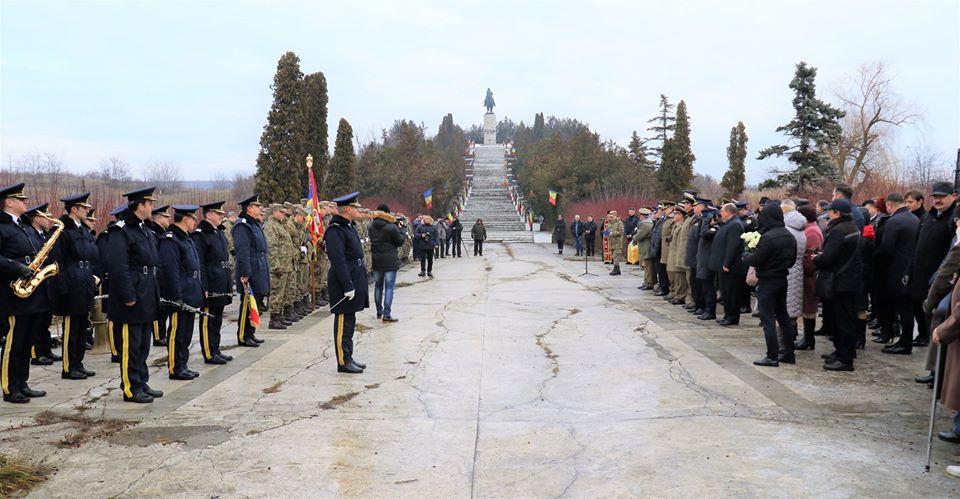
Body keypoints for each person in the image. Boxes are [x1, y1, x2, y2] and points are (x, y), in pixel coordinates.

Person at [104, 187, 164, 403]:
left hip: (147, 290)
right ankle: (131, 386)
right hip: (133, 293)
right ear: (140, 206)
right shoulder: (121, 231)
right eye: (150, 204)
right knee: (131, 343)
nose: (152, 207)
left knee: (143, 344)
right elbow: (119, 266)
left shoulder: (144, 229)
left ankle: (141, 380)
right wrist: (128, 295)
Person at [1, 184, 54, 404]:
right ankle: (9, 387)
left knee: (26, 342)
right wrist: (18, 268)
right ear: (8, 202)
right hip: (12, 294)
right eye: (21, 199)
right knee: (14, 342)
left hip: (31, 293)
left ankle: (22, 383)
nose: (26, 202)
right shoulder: (2, 226)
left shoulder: (21, 226)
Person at [743, 202, 797, 367]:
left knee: (768, 319)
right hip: (782, 279)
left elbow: (758, 258)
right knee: (784, 317)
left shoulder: (768, 237)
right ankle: (788, 352)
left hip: (768, 280)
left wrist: (746, 255)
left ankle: (772, 355)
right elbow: (792, 260)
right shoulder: (789, 235)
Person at [53, 193, 99, 380]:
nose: (87, 210)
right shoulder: (63, 230)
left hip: (84, 281)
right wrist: (62, 288)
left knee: (82, 327)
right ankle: (68, 366)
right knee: (71, 328)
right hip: (72, 283)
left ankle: (78, 363)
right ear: (74, 209)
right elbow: (58, 261)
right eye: (84, 207)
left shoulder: (83, 230)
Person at [813, 198, 862, 371]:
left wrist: (816, 258)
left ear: (837, 213)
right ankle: (841, 352)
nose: (829, 214)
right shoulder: (852, 226)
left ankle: (844, 358)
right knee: (844, 319)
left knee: (843, 321)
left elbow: (828, 258)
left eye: (831, 211)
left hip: (840, 281)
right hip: (849, 280)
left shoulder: (838, 230)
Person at [907, 182, 957, 348]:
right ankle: (923, 335)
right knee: (917, 305)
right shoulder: (930, 216)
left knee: (935, 314)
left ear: (954, 196)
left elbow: (952, 252)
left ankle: (933, 349)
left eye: (942, 197)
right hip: (919, 273)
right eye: (935, 197)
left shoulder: (952, 220)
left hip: (937, 277)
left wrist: (937, 276)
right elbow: (917, 244)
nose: (937, 200)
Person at [324, 192, 370, 374]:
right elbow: (338, 260)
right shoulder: (335, 230)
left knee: (350, 321)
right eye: (356, 207)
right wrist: (347, 285)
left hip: (354, 276)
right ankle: (342, 361)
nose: (359, 210)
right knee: (343, 321)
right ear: (348, 209)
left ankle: (348, 356)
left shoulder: (348, 226)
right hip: (344, 280)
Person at [159, 205, 204, 380]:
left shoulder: (185, 239)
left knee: (186, 333)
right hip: (181, 293)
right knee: (177, 333)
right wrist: (176, 296)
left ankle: (183, 364)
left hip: (191, 291)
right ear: (185, 219)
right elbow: (171, 271)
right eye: (193, 218)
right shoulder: (171, 240)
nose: (194, 222)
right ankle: (174, 367)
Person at [872, 193, 920, 352]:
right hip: (910, 269)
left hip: (894, 270)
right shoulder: (915, 219)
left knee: (899, 306)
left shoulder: (894, 221)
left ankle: (903, 343)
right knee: (906, 308)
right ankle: (904, 339)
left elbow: (886, 249)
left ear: (890, 205)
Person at [192, 201, 233, 365]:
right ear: (208, 214)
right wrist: (204, 286)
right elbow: (200, 263)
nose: (221, 216)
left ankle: (215, 348)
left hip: (221, 279)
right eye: (218, 214)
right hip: (211, 280)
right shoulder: (200, 235)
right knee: (208, 318)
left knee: (217, 319)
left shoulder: (218, 233)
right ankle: (209, 352)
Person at [233, 195, 269, 348]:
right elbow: (242, 251)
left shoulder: (254, 224)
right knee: (247, 302)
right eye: (256, 206)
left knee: (255, 301)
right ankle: (243, 335)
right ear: (249, 208)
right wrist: (245, 273)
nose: (259, 208)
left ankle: (251, 332)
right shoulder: (243, 225)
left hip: (259, 266)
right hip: (250, 268)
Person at [26, 204, 60, 367]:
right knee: (36, 321)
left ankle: (45, 350)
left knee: (45, 319)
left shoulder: (43, 235)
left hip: (45, 283)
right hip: (34, 283)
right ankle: (36, 353)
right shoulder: (30, 234)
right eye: (46, 217)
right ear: (37, 218)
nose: (49, 221)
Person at [711, 203, 746, 325]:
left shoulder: (735, 225)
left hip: (731, 267)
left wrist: (726, 263)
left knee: (732, 293)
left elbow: (733, 246)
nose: (720, 213)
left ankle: (732, 317)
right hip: (724, 265)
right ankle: (727, 315)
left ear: (728, 212)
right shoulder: (729, 224)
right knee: (726, 292)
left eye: (722, 211)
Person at [368, 203, 404, 322]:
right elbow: (400, 242)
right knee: (389, 288)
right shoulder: (391, 227)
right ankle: (386, 314)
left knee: (378, 286)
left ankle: (379, 310)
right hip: (389, 261)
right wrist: (401, 229)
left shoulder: (371, 227)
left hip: (377, 260)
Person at [795, 204, 824, 350]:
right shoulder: (809, 229)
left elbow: (811, 257)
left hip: (810, 275)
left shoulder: (812, 232)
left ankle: (808, 338)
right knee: (806, 306)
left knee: (809, 307)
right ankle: (806, 338)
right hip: (806, 274)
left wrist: (803, 267)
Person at [781, 200, 807, 347]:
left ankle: (784, 345)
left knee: (784, 309)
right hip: (797, 270)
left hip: (786, 270)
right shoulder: (800, 228)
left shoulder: (786, 230)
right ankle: (790, 341)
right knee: (792, 308)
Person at [263, 204, 292, 330]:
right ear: (274, 212)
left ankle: (280, 316)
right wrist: (276, 266)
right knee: (277, 293)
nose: (284, 214)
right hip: (279, 266)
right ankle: (274, 319)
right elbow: (272, 248)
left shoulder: (280, 225)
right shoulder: (270, 226)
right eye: (281, 212)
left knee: (283, 292)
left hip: (286, 265)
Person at [147, 205, 171, 347]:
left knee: (164, 307)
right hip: (156, 274)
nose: (169, 219)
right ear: (157, 218)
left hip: (163, 274)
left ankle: (161, 333)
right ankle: (157, 335)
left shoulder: (163, 232)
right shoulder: (153, 232)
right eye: (165, 216)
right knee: (158, 306)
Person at [694, 202, 718, 319]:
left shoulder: (714, 229)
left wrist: (707, 221)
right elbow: (699, 233)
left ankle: (710, 311)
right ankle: (705, 309)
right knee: (704, 288)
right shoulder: (709, 227)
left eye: (706, 218)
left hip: (708, 262)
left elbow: (703, 233)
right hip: (703, 261)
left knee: (709, 288)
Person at [635, 209, 655, 290]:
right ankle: (646, 281)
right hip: (645, 246)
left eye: (640, 215)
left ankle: (649, 283)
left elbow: (639, 235)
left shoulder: (646, 224)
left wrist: (634, 237)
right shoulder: (647, 223)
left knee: (648, 266)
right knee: (646, 266)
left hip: (646, 246)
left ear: (643, 216)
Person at [606, 210, 624, 275]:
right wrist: (606, 233)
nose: (610, 217)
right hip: (611, 242)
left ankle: (615, 269)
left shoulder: (619, 223)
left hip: (617, 242)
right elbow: (608, 232)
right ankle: (617, 270)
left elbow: (621, 232)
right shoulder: (608, 224)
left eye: (612, 216)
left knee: (616, 256)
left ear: (615, 216)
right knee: (614, 256)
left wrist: (612, 233)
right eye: (610, 216)